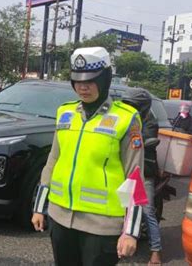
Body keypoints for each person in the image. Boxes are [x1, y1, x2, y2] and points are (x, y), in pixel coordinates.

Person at [31, 47, 145, 266]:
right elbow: (52, 162)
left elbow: (135, 176)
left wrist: (130, 231)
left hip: (101, 226)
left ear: (105, 80)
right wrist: (39, 207)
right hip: (60, 218)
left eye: (91, 81)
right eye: (77, 81)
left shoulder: (126, 119)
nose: (83, 87)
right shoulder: (65, 113)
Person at [122, 88, 162, 266]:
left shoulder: (150, 123)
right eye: (127, 105)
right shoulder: (127, 119)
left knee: (146, 211)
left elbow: (137, 142)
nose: (129, 108)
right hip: (126, 169)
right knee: (121, 207)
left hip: (143, 172)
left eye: (133, 105)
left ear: (143, 107)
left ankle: (156, 252)